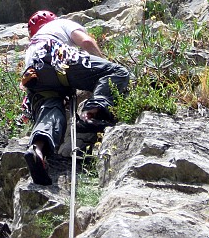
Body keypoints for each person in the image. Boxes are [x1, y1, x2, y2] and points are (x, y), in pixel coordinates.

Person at [21, 10, 129, 185]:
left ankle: (37, 150)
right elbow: (85, 41)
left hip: (34, 75)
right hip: (57, 57)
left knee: (52, 110)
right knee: (117, 72)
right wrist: (102, 64)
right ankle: (90, 114)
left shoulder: (30, 46)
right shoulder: (60, 24)